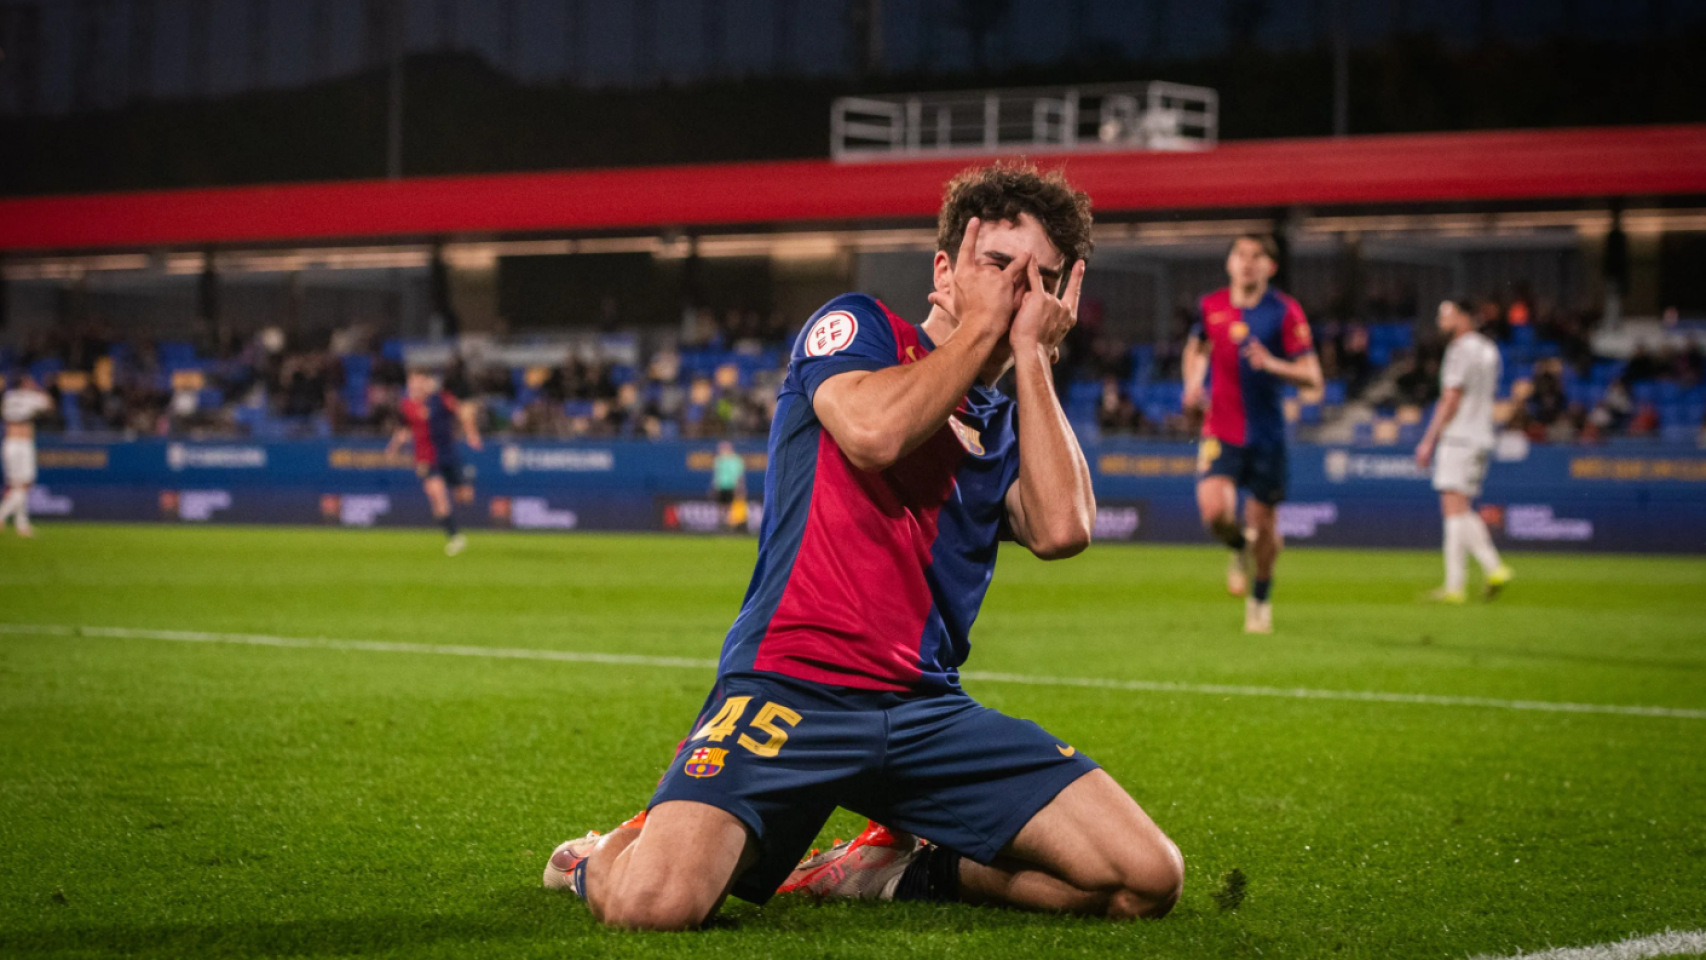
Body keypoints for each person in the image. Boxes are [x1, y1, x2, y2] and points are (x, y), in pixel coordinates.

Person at [543, 164, 1183, 929]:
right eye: (997, 267)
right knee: (656, 905)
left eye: (1038, 280)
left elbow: (1062, 529)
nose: (1017, 294)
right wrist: (985, 328)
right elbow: (874, 434)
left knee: (1145, 880)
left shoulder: (1011, 423)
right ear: (943, 270)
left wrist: (1035, 360)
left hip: (923, 710)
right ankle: (597, 856)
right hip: (790, 686)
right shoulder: (858, 328)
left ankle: (905, 868)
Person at [1182, 235, 1322, 634]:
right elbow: (1196, 348)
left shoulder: (1284, 312)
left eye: (1256, 256)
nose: (1247, 262)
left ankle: (1259, 601)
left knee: (1265, 529)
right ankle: (1235, 545)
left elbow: (1314, 379)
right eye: (1240, 255)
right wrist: (1192, 383)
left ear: (1270, 267)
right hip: (1220, 429)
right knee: (1215, 512)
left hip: (1266, 437)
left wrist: (1273, 364)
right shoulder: (1211, 306)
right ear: (1229, 263)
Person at [1415, 299, 1513, 602]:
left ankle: (1471, 577)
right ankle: (1471, 577)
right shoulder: (1489, 349)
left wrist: (1429, 438)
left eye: (1446, 312)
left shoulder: (1459, 350)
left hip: (1458, 435)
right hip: (1482, 433)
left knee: (1452, 508)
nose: (1440, 318)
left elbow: (1451, 397)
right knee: (1461, 507)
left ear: (1463, 316)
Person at [387, 369, 482, 556]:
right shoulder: (407, 406)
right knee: (437, 493)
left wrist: (471, 433)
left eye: (418, 382)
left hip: (448, 456)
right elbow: (404, 429)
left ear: (426, 383)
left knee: (465, 497)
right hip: (425, 459)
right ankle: (455, 537)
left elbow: (463, 410)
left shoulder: (440, 399)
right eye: (411, 383)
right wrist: (394, 447)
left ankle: (463, 487)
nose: (414, 386)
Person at [0, 373, 55, 538]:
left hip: (9, 443)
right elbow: (50, 404)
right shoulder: (31, 397)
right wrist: (37, 388)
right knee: (25, 485)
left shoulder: (9, 397)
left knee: (16, 486)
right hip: (23, 444)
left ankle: (21, 524)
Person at [708, 441, 748, 532]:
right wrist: (714, 486)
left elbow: (739, 475)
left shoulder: (736, 460)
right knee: (721, 506)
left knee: (731, 506)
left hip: (732, 486)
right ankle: (722, 524)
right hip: (721, 486)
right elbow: (716, 474)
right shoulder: (719, 460)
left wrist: (740, 487)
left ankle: (729, 525)